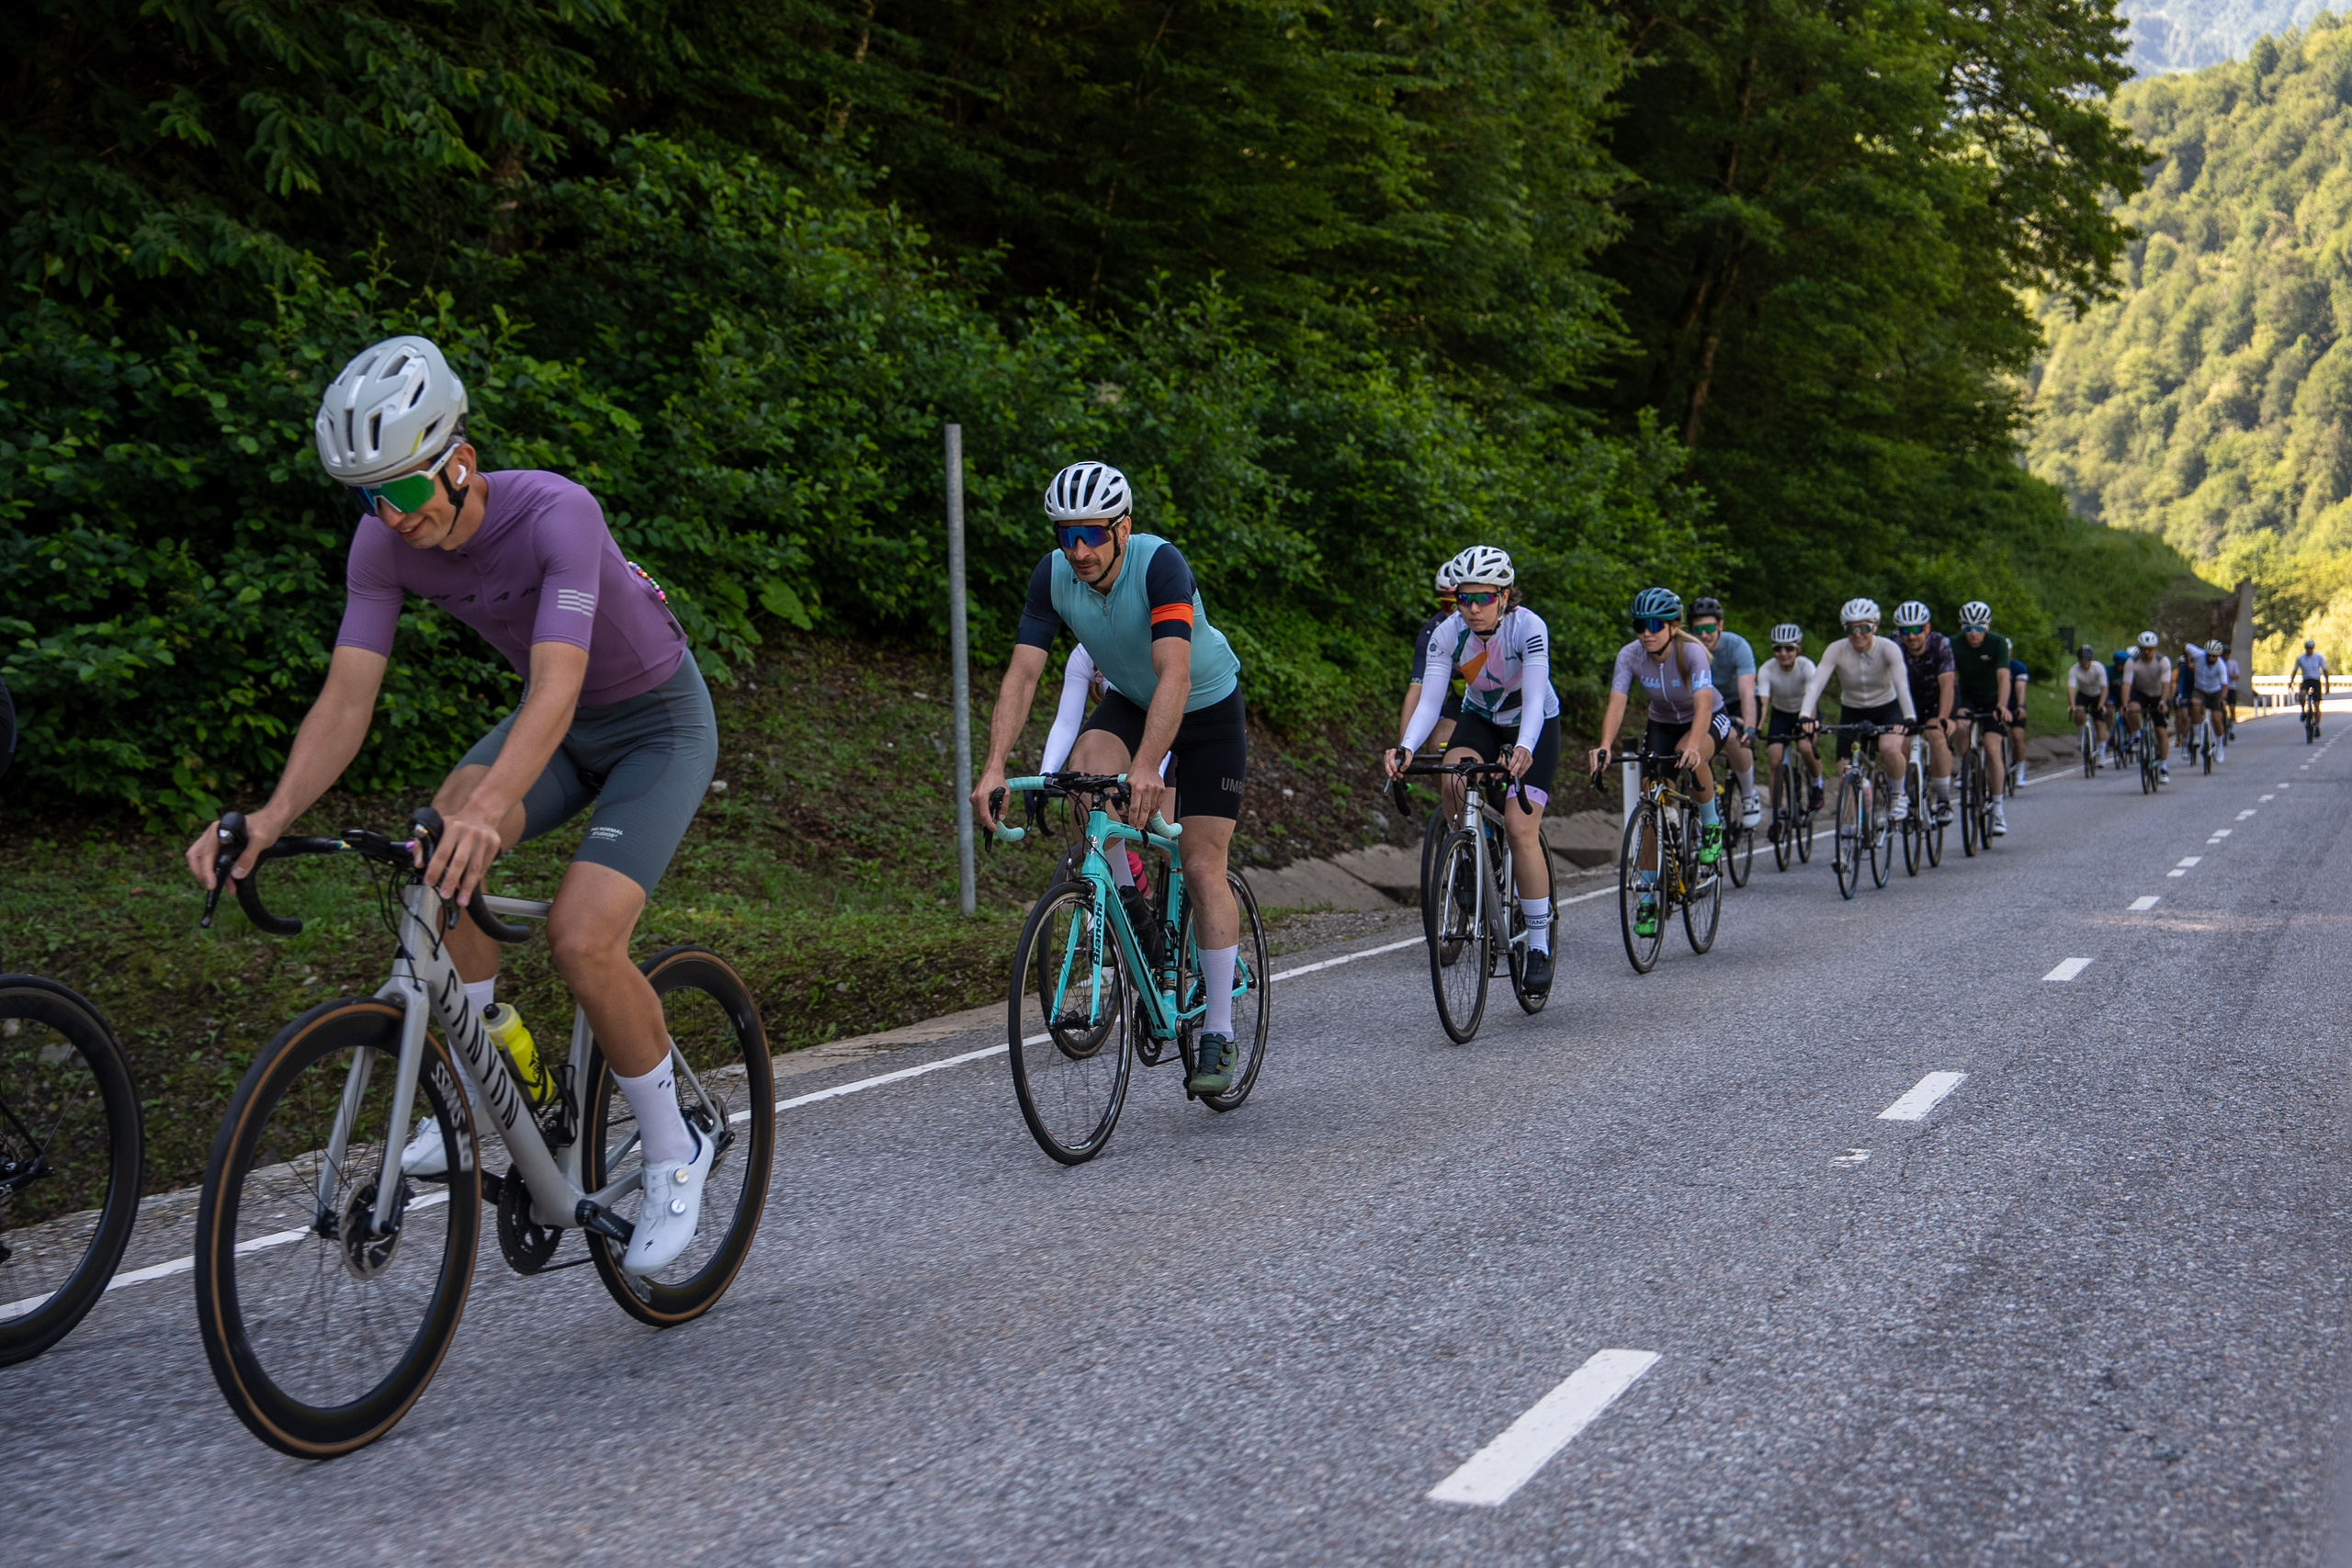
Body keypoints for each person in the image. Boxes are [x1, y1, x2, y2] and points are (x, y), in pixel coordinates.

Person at [182, 335, 718, 1274]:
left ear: (459, 461)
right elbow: (347, 699)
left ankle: (677, 1147)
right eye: (368, 498)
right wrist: (270, 816)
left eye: (401, 489)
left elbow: (558, 682)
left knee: (581, 936)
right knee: (435, 860)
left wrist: (491, 806)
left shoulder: (558, 513)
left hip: (655, 727)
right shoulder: (383, 545)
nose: (391, 515)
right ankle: (505, 1084)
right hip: (557, 725)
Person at [974, 460, 1251, 1094]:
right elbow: (1023, 675)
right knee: (1084, 783)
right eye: (1066, 535)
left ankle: (1219, 1030)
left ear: (1123, 528)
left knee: (1200, 862)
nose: (1079, 550)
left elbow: (1175, 673)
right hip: (1131, 699)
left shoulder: (1160, 565)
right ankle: (1133, 914)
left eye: (1093, 534)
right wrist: (994, 767)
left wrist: (1148, 765)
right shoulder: (1053, 576)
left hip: (1206, 709)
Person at [1388, 546, 1561, 993]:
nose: (1472, 608)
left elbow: (1536, 698)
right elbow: (1431, 700)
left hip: (1532, 721)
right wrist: (1406, 747)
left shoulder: (1529, 627)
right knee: (1452, 774)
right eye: (1464, 598)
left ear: (1504, 596)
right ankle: (1469, 851)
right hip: (1481, 717)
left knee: (1520, 829)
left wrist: (1523, 747)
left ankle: (1538, 945)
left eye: (1483, 598)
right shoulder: (1448, 633)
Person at [1588, 587, 1726, 939]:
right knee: (1650, 798)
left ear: (1673, 626)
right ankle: (1649, 895)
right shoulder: (1630, 655)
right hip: (1662, 722)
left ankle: (1711, 825)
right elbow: (1617, 702)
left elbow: (1704, 704)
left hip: (1707, 717)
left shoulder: (1691, 652)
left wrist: (1693, 745)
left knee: (1689, 756)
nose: (1646, 633)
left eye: (1654, 625)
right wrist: (1605, 746)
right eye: (1640, 625)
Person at [1799, 598, 1917, 823]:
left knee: (1889, 748)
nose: (1858, 634)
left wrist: (1909, 716)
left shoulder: (1889, 649)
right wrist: (1805, 715)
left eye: (1864, 628)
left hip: (1887, 707)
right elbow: (1816, 684)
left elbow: (1902, 686)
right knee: (1845, 770)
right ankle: (1848, 833)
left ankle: (1898, 793)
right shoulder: (1836, 649)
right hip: (1852, 709)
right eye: (1851, 629)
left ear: (1875, 626)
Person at [1690, 597, 1761, 829]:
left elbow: (1747, 690)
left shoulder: (1737, 646)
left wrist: (1749, 727)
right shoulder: (1688, 649)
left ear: (1720, 625)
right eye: (1697, 630)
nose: (1704, 635)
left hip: (1736, 700)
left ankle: (1749, 794)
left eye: (1709, 628)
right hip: (1705, 703)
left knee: (1733, 737)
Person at [1949, 601, 2013, 834]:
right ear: (1961, 628)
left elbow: (2004, 677)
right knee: (1961, 725)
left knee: (1992, 748)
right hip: (1967, 695)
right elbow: (1948, 677)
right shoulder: (1953, 643)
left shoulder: (1997, 642)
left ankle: (1998, 808)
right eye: (1968, 629)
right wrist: (1953, 707)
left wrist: (2002, 706)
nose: (1973, 634)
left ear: (1987, 626)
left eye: (1979, 628)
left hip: (1992, 697)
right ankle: (1968, 764)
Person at [1892, 601, 1957, 824]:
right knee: (1901, 742)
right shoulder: (1894, 645)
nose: (1911, 636)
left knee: (1936, 735)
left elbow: (1947, 685)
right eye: (1905, 631)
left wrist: (1944, 718)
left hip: (1936, 697)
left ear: (1927, 628)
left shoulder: (1941, 644)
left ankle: (1944, 799)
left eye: (1916, 629)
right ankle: (1908, 793)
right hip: (1907, 699)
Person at [1399, 562, 1464, 754]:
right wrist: (1404, 748)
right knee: (1438, 745)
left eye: (1460, 602)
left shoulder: (1489, 627)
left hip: (1504, 705)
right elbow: (1417, 692)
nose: (1454, 612)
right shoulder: (1433, 631)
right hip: (1462, 702)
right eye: (1446, 604)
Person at [1758, 624, 1822, 816]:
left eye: (1789, 648)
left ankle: (1816, 784)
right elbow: (1764, 703)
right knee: (1775, 760)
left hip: (1805, 712)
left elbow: (1812, 696)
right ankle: (1776, 813)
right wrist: (1758, 726)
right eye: (1778, 648)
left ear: (1798, 649)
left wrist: (1810, 722)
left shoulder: (1806, 666)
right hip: (1781, 714)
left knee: (1805, 747)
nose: (1783, 653)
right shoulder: (1767, 669)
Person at [2119, 631, 2173, 780]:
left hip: (2158, 695)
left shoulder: (2163, 661)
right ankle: (2137, 736)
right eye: (2143, 649)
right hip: (2141, 693)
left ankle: (2163, 767)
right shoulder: (2132, 662)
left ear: (2155, 649)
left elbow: (2166, 684)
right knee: (2132, 710)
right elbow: (2126, 684)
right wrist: (2124, 704)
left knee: (2161, 731)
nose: (2147, 652)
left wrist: (2163, 702)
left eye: (2150, 649)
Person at [2066, 644, 2109, 755]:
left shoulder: (2099, 668)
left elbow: (2104, 687)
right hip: (2084, 694)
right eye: (2082, 660)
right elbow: (2071, 688)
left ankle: (2102, 753)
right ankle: (2080, 732)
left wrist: (2101, 704)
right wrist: (2072, 705)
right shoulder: (2074, 670)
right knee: (2079, 712)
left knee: (2099, 723)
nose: (2085, 663)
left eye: (2087, 660)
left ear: (2092, 659)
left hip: (2098, 695)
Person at [2192, 638, 2231, 761]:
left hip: (2215, 692)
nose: (2211, 658)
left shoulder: (2221, 665)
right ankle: (2197, 736)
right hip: (2199, 690)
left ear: (2218, 656)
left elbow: (2225, 685)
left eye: (2214, 656)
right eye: (2209, 655)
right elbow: (2186, 646)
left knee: (2217, 718)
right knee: (2194, 704)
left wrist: (2223, 698)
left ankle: (2219, 746)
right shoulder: (2198, 655)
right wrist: (2188, 663)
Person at [2296, 637, 2329, 735]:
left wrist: (2327, 683)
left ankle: (2317, 726)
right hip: (2306, 680)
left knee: (2317, 705)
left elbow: (2325, 670)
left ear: (2313, 648)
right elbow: (2295, 670)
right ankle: (2303, 711)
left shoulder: (2319, 657)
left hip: (2316, 680)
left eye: (2311, 648)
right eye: (2307, 648)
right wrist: (2291, 682)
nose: (2309, 650)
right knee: (2302, 695)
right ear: (2305, 648)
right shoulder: (2301, 658)